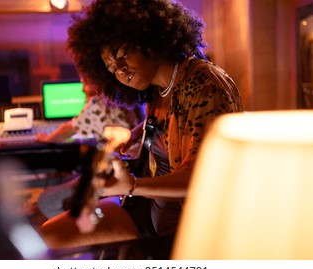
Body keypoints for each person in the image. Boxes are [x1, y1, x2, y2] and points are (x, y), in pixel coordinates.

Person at [40, 0, 244, 249]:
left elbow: (205, 177)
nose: (122, 70)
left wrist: (134, 186)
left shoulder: (203, 85)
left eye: (124, 54)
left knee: (54, 236)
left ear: (150, 39)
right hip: (147, 208)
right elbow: (172, 121)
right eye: (112, 68)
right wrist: (138, 133)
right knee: (51, 232)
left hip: (184, 225)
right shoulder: (160, 86)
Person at [36, 78, 144, 219]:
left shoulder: (99, 102)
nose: (82, 89)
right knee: (71, 177)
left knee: (46, 200)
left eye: (86, 83)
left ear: (97, 80)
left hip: (118, 171)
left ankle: (78, 235)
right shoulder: (125, 95)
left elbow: (67, 130)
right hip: (134, 165)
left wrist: (46, 138)